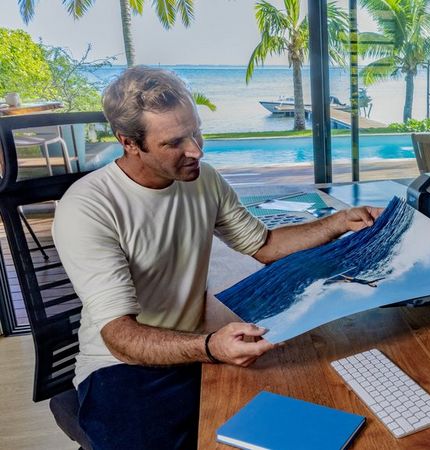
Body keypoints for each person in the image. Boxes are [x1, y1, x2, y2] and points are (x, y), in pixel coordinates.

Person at [52, 66, 381, 450]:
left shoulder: (203, 179)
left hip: (195, 347)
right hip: (123, 367)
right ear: (129, 142)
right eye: (175, 142)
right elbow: (120, 338)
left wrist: (339, 222)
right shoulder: (89, 206)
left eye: (196, 131)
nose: (196, 149)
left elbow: (265, 244)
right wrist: (209, 346)